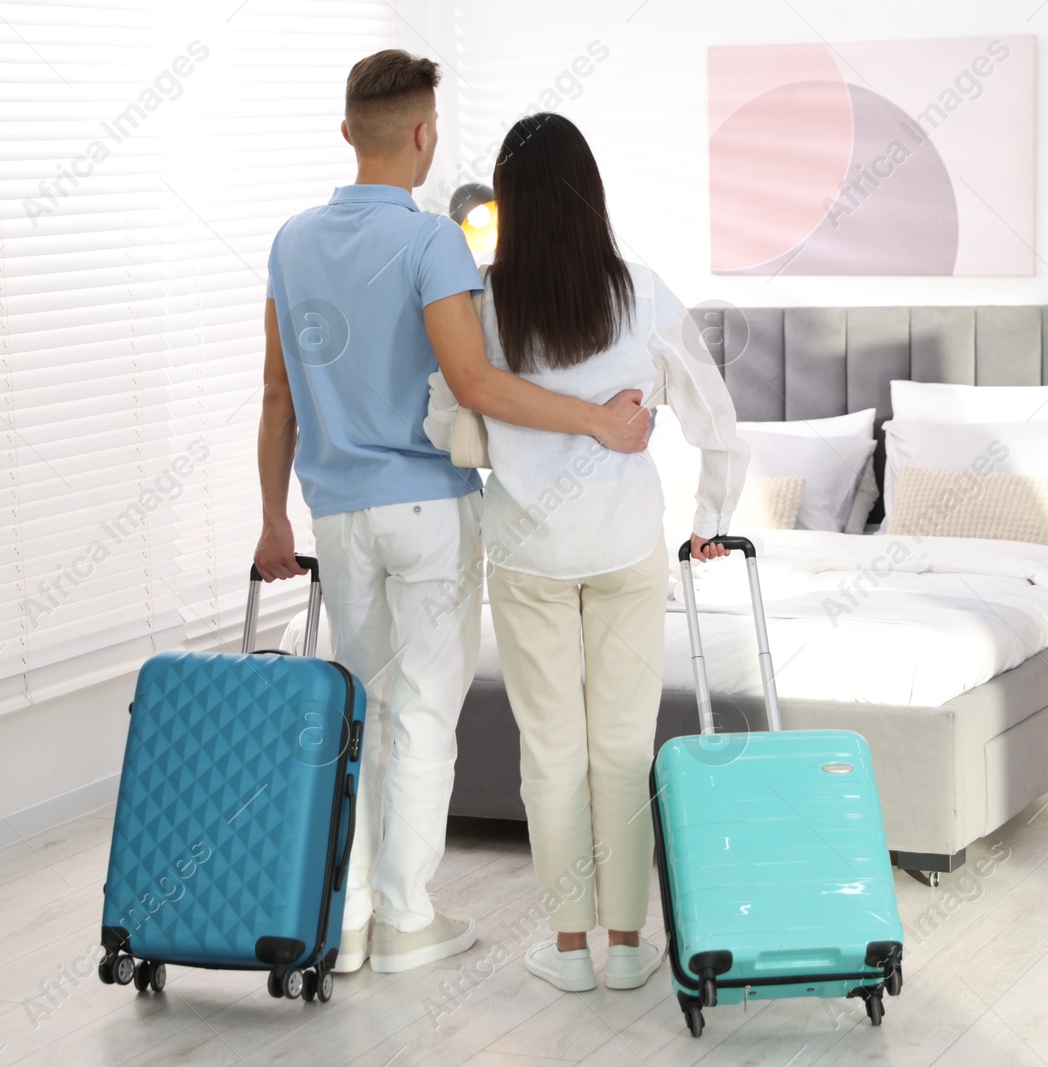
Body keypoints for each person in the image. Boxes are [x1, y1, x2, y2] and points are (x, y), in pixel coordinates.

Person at [254, 53, 651, 976]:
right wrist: (597, 419)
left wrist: (273, 519)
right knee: (426, 714)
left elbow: (277, 395)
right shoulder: (435, 243)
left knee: (361, 710)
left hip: (336, 515)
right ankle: (405, 919)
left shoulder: (291, 241)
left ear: (348, 131)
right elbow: (475, 384)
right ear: (426, 136)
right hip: (430, 507)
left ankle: (342, 926)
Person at [424, 113, 748, 992]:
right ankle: (630, 944)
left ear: (511, 205)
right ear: (590, 193)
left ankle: (568, 948)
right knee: (621, 743)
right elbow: (715, 418)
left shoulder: (482, 306)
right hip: (623, 547)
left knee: (552, 750)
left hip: (528, 552)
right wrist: (709, 517)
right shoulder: (642, 292)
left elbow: (442, 416)